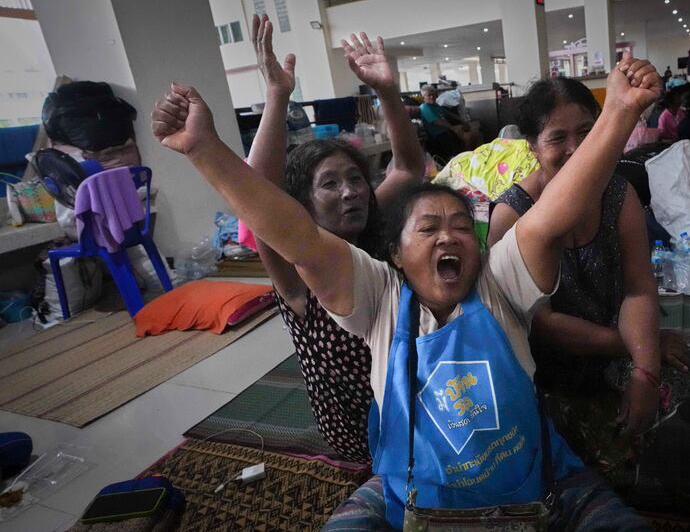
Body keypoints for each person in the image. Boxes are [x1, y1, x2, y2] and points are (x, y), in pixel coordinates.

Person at [151, 51, 662, 531]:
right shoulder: (377, 298)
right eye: (427, 228)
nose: (447, 236)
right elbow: (297, 237)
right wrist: (203, 149)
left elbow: (551, 216)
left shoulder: (501, 280)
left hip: (540, 482)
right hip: (408, 492)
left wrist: (617, 112)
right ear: (394, 254)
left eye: (462, 226)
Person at [236, 16, 425, 464]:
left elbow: (408, 168)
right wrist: (278, 96)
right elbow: (255, 198)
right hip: (361, 429)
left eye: (356, 179)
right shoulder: (299, 269)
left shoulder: (366, 226)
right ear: (300, 202)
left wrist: (386, 90)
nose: (350, 192)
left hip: (412, 401)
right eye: (330, 185)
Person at [487, 77, 690, 485]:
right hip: (547, 367)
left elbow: (638, 287)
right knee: (569, 451)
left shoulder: (618, 195)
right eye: (557, 137)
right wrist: (637, 347)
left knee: (678, 368)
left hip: (612, 347)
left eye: (586, 132)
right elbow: (540, 324)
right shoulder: (513, 213)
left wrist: (644, 370)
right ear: (531, 146)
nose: (576, 149)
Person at [419, 84, 469, 161]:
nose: (432, 97)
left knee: (461, 141)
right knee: (453, 146)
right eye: (429, 95)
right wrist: (453, 128)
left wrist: (462, 121)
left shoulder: (436, 106)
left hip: (445, 132)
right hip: (436, 135)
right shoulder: (425, 107)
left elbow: (448, 114)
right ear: (423, 97)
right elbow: (437, 121)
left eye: (433, 95)